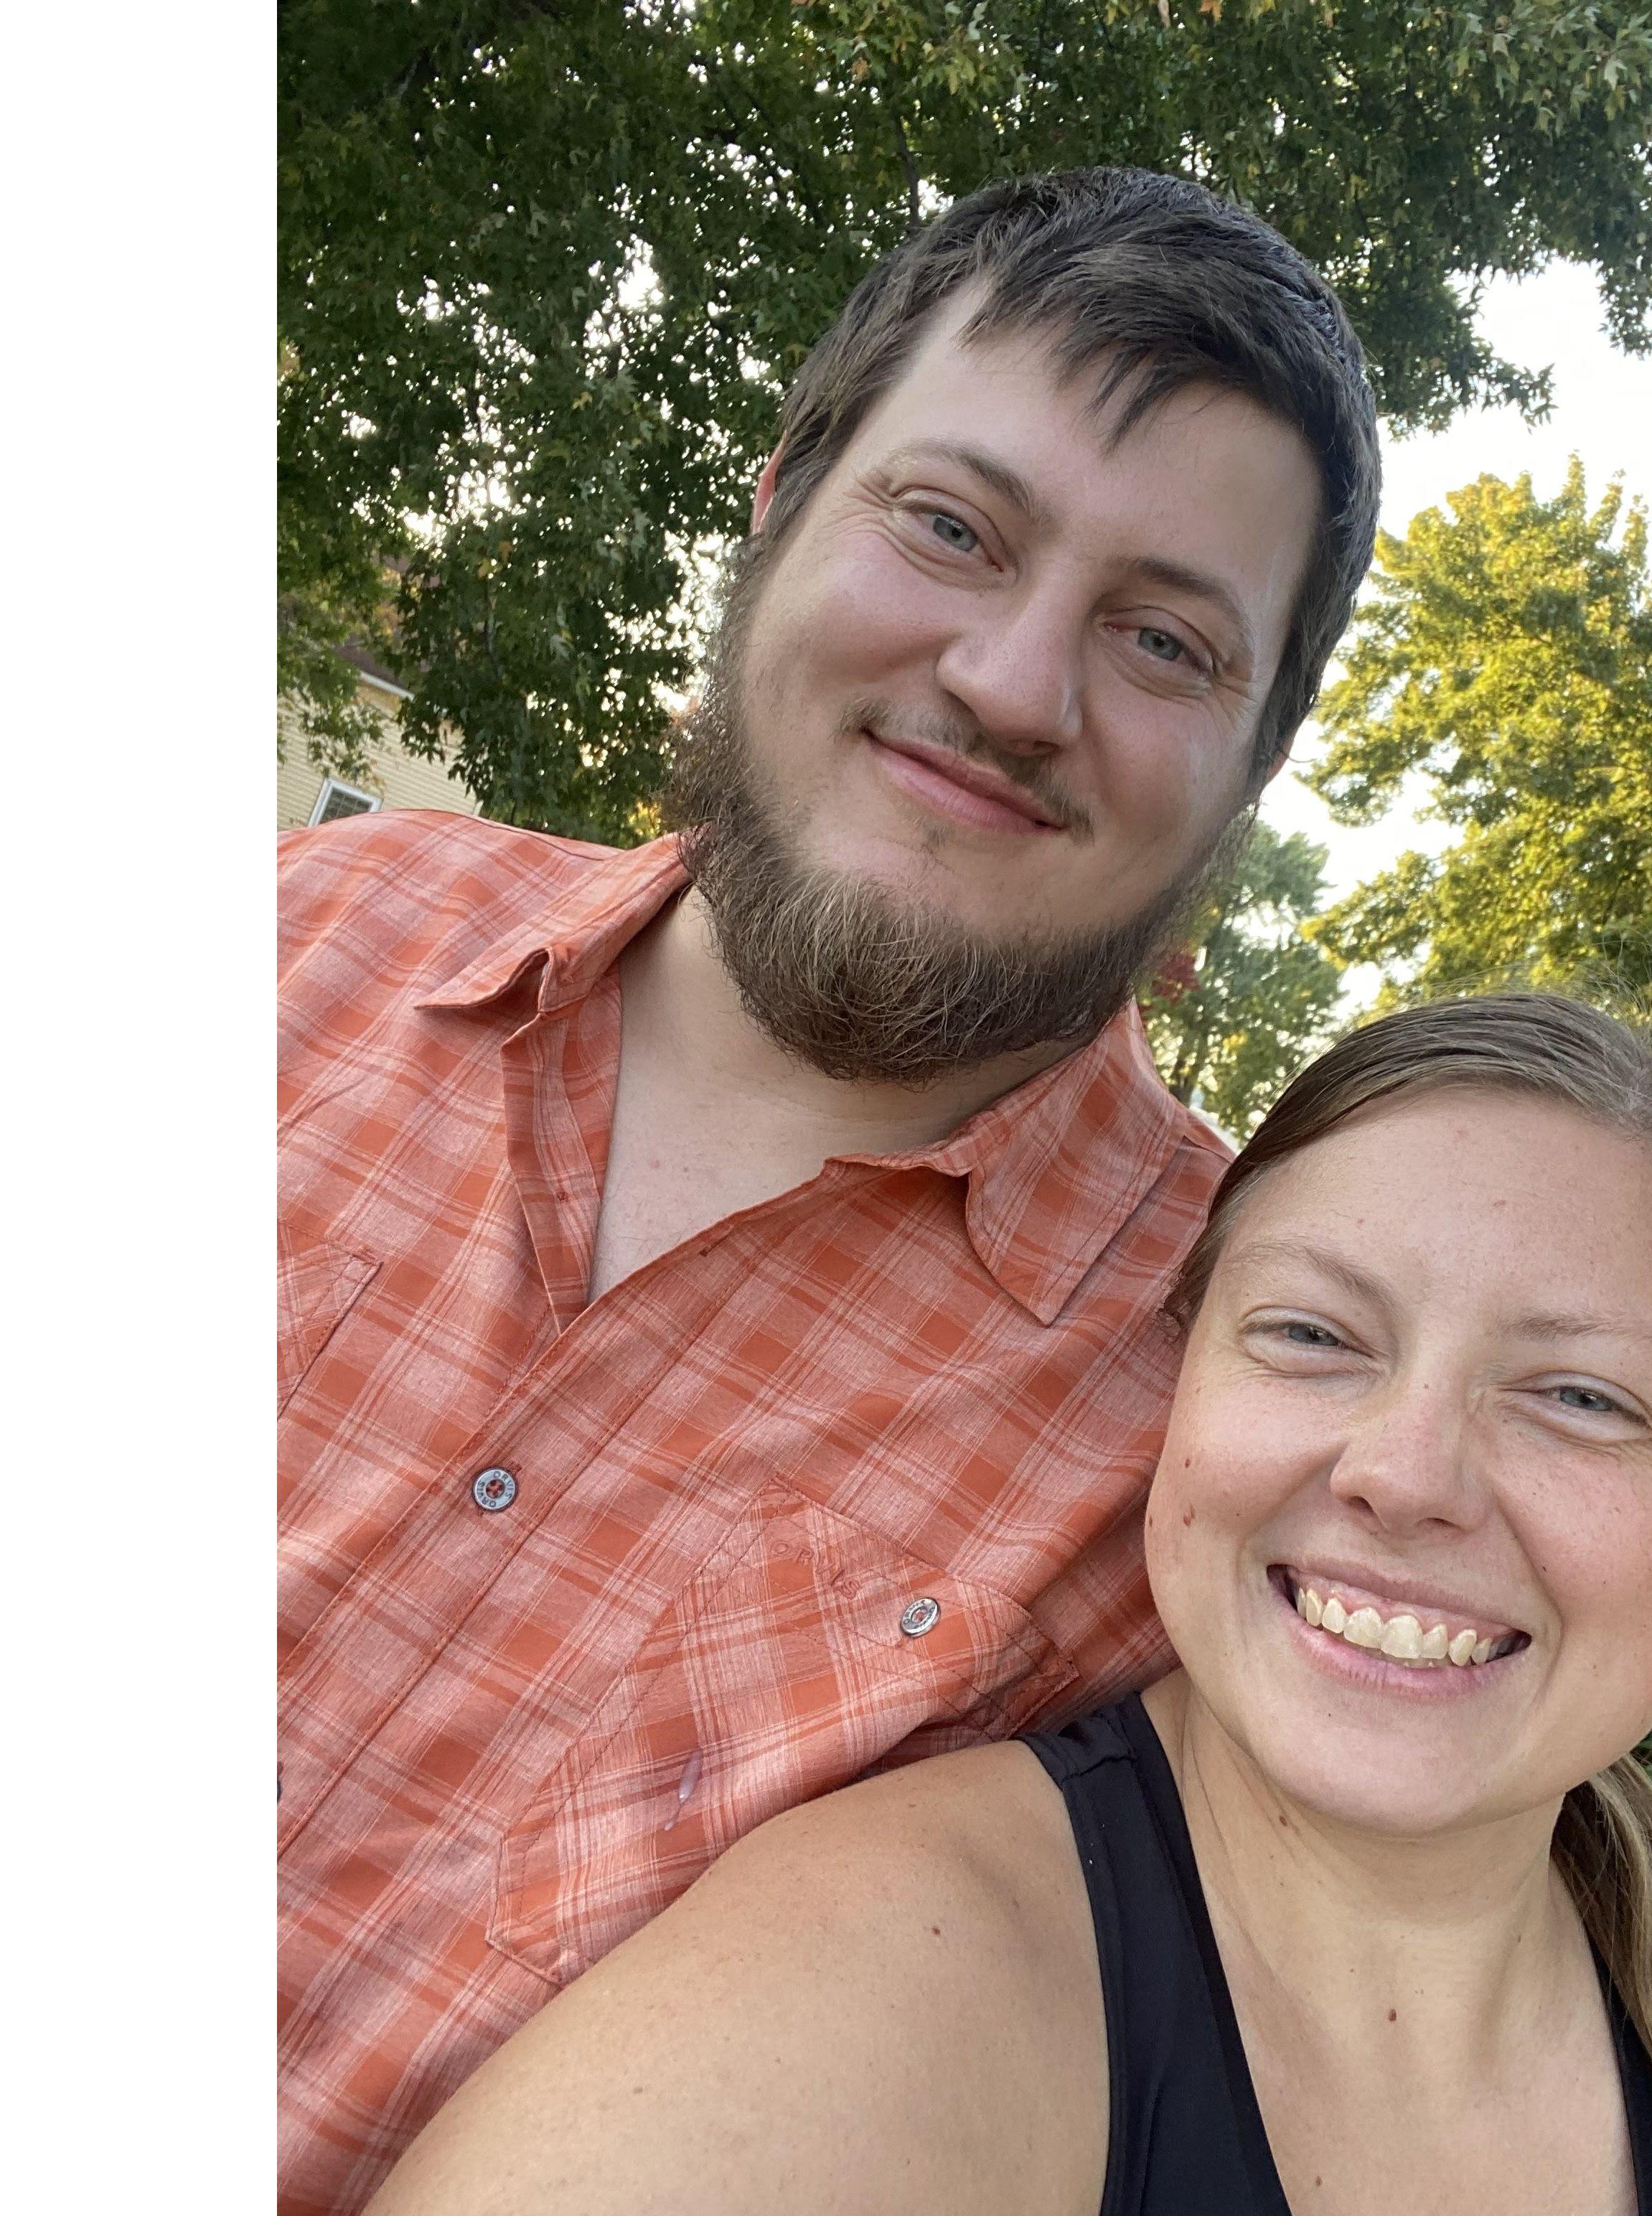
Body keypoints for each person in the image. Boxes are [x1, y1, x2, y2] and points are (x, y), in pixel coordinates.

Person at [278, 166, 1381, 2212]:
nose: (1013, 684)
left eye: (1163, 639)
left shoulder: (1240, 1430)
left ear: (1248, 771)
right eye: (953, 527)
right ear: (781, 504)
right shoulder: (300, 932)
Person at [365, 994, 1652, 2216]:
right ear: (1176, 1386)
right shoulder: (887, 1986)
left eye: (1581, 1394)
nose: (1407, 1471)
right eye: (1314, 1334)